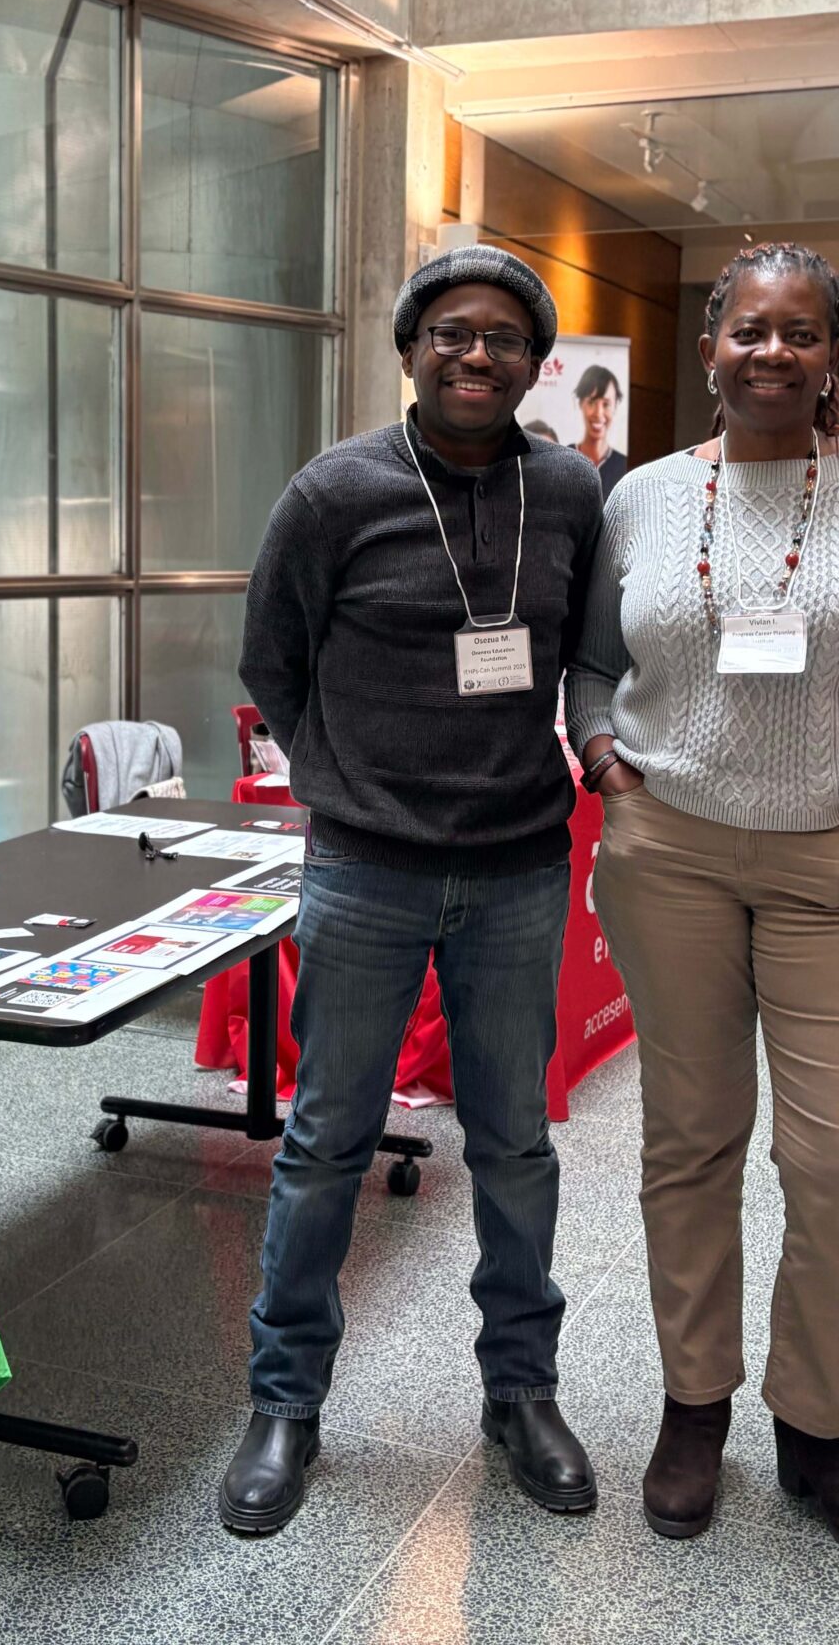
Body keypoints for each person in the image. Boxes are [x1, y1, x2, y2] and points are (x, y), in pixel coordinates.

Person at [567, 243, 839, 1571]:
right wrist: (603, 758)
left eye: (799, 333)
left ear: (831, 357)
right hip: (670, 858)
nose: (773, 353)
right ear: (710, 348)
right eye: (749, 331)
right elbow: (588, 664)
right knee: (690, 1142)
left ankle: (817, 1431)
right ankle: (693, 1407)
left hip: (833, 870)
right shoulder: (643, 499)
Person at [226, 246, 605, 1536]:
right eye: (450, 332)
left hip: (517, 869)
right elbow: (271, 660)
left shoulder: (569, 492)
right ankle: (285, 1404)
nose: (475, 353)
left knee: (514, 1147)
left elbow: (586, 651)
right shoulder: (334, 492)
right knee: (324, 1143)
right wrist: (351, 779)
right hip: (364, 869)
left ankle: (522, 1393)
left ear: (535, 365)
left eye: (503, 336)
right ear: (409, 350)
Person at [573, 363, 628, 495]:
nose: (598, 413)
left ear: (616, 406)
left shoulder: (624, 466)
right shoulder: (562, 460)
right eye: (591, 402)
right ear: (580, 404)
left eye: (606, 404)